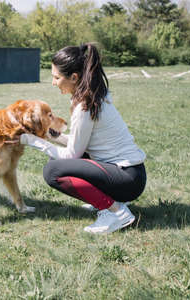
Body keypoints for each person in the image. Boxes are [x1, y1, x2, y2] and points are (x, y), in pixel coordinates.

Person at [19, 43, 146, 234]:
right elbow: (80, 142)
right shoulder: (93, 95)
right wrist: (49, 136)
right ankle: (108, 202)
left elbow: (72, 154)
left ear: (74, 77)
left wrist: (32, 141)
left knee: (53, 171)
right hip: (130, 175)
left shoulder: (84, 107)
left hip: (127, 178)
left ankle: (116, 212)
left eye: (56, 77)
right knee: (61, 161)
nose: (53, 82)